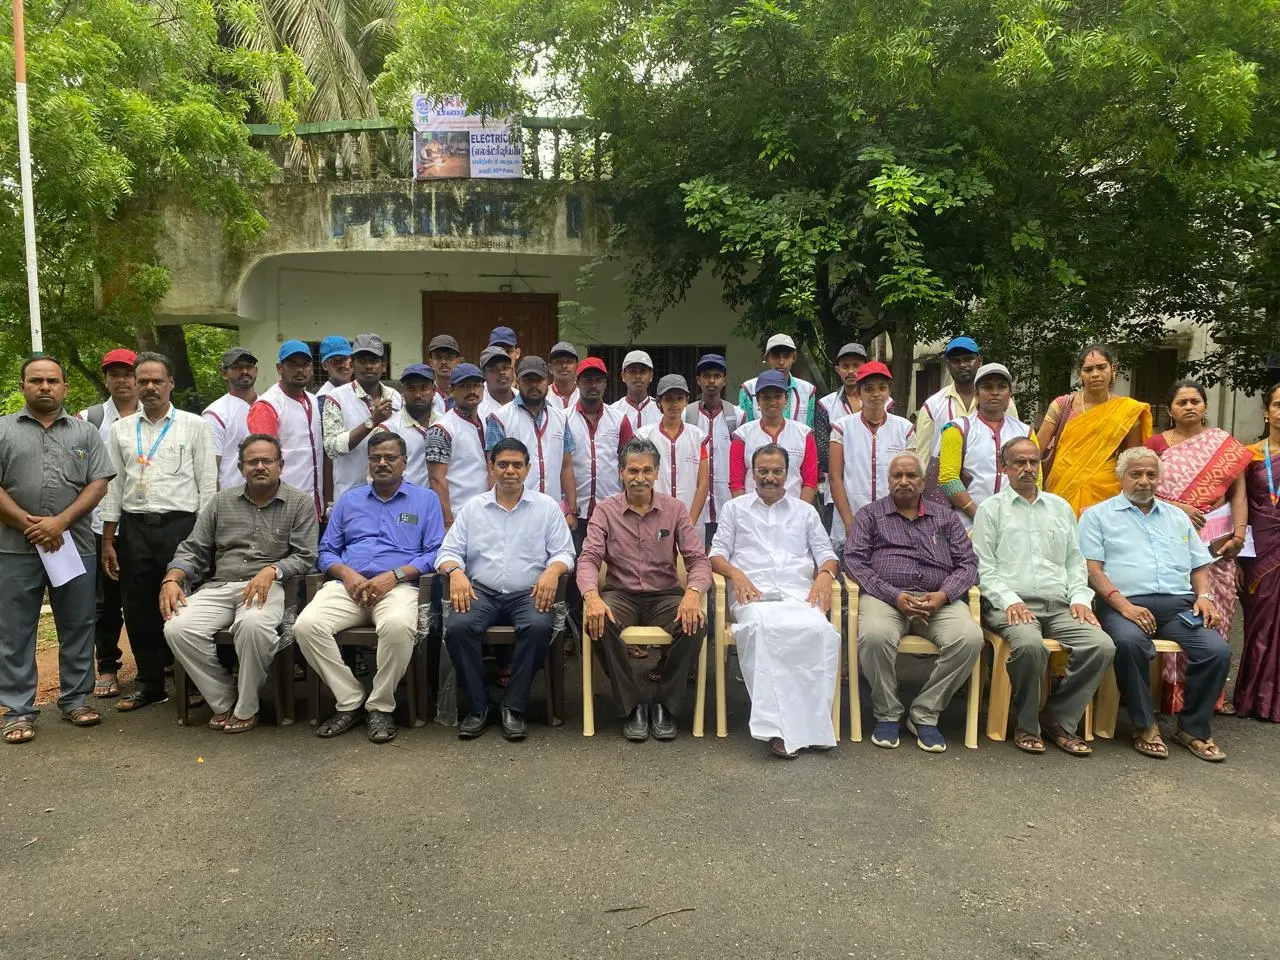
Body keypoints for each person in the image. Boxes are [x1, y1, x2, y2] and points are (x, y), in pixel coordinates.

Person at [1078, 447, 1231, 762]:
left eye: (1151, 474)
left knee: (1216, 651)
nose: (1144, 481)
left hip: (1177, 607)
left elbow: (1199, 566)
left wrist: (1205, 596)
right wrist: (1123, 606)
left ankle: (1193, 729)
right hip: (1124, 604)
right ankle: (1144, 725)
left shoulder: (1177, 517)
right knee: (1128, 643)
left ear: (1159, 478)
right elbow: (1092, 569)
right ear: (1121, 477)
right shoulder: (1097, 515)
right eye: (1136, 474)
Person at [160, 435, 318, 733]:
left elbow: (306, 556)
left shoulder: (299, 502)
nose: (260, 466)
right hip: (220, 586)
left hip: (268, 587)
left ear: (280, 465)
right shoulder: (221, 501)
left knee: (254, 626)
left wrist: (273, 569)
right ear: (241, 467)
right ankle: (223, 699)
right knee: (177, 627)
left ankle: (248, 706)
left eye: (267, 461)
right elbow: (194, 548)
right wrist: (173, 576)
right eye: (252, 462)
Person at [294, 433, 445, 744]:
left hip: (398, 587)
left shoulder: (425, 500)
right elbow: (326, 552)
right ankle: (349, 700)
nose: (382, 463)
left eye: (390, 457)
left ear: (404, 463)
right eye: (376, 457)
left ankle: (380, 705)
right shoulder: (350, 500)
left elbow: (434, 553)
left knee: (399, 626)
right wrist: (347, 575)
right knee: (306, 626)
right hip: (349, 586)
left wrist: (395, 575)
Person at [972, 437, 1114, 756]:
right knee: (1029, 646)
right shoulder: (991, 509)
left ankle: (1058, 718)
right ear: (1003, 467)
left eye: (1033, 462)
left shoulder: (1060, 508)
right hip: (1011, 603)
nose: (1027, 469)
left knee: (1101, 645)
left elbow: (1075, 561)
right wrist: (1010, 600)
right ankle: (1026, 723)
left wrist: (1079, 596)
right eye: (1019, 462)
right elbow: (983, 566)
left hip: (1061, 604)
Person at [0, 357, 115, 744]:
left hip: (73, 545)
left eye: (52, 380)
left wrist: (59, 522)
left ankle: (76, 699)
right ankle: (18, 711)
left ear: (65, 387)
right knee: (15, 630)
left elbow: (98, 483)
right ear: (23, 387)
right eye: (36, 380)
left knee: (78, 623)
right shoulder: (3, 430)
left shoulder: (85, 433)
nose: (45, 386)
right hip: (14, 547)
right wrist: (29, 524)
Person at [436, 438, 575, 740]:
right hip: (481, 592)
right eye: (503, 464)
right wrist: (455, 572)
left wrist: (553, 570)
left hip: (528, 593)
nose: (510, 471)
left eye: (517, 465)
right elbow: (447, 552)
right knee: (459, 627)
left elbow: (565, 552)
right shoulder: (474, 508)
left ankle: (514, 706)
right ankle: (479, 706)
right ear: (492, 468)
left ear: (527, 469)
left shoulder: (546, 507)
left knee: (539, 626)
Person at [100, 352, 217, 712]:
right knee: (137, 608)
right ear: (135, 385)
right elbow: (113, 487)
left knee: (186, 605)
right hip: (135, 529)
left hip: (182, 528)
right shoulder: (120, 430)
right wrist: (108, 538)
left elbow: (208, 486)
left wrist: (203, 538)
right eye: (143, 381)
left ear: (171, 384)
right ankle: (150, 683)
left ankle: (193, 682)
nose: (149, 388)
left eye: (157, 381)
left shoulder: (194, 425)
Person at [709, 444, 840, 759]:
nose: (769, 478)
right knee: (767, 630)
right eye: (763, 471)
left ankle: (814, 725)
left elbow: (827, 554)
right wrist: (736, 574)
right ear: (752, 474)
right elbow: (715, 554)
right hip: (754, 595)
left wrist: (825, 575)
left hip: (798, 595)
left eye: (776, 471)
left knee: (820, 632)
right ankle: (780, 730)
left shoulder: (805, 512)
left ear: (788, 474)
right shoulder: (735, 509)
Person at [846, 452, 982, 753]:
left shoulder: (945, 516)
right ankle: (887, 712)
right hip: (887, 597)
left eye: (911, 476)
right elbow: (855, 561)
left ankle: (925, 713)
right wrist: (893, 595)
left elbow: (968, 563)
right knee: (874, 636)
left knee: (970, 639)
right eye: (898, 476)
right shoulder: (870, 515)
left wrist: (944, 595)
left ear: (923, 482)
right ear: (889, 481)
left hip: (939, 599)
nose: (904, 482)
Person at [577, 437, 711, 741]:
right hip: (620, 593)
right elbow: (588, 558)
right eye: (633, 471)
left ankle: (666, 704)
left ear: (657, 473)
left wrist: (692, 594)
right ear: (621, 472)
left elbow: (698, 560)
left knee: (696, 623)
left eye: (647, 471)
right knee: (598, 620)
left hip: (664, 594)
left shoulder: (675, 509)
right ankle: (632, 704)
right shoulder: (605, 511)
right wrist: (591, 597)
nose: (640, 478)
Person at [1145, 379, 1251, 716]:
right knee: (1180, 612)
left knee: (1216, 612)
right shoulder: (1157, 444)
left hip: (1217, 542)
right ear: (1171, 409)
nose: (1189, 407)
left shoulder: (1224, 446)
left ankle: (1210, 697)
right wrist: (1179, 508)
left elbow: (1238, 494)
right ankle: (1170, 696)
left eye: (1195, 401)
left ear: (1204, 406)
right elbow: (1141, 489)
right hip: (1170, 540)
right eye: (1182, 402)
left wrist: (1238, 534)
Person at [78, 347, 138, 700]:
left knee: (148, 596)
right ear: (106, 379)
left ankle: (160, 664)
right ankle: (107, 667)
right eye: (114, 373)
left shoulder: (155, 414)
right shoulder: (90, 418)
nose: (123, 379)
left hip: (144, 523)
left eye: (128, 372)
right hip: (101, 526)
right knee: (106, 602)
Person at [1038, 342, 1151, 516]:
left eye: (1101, 367)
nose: (1095, 374)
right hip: (1062, 485)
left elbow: (1132, 460)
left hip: (1106, 492)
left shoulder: (1127, 410)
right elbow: (1036, 449)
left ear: (1113, 369)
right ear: (1079, 374)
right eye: (1088, 370)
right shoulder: (1061, 405)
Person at [827, 361, 914, 549]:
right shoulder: (842, 428)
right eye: (868, 389)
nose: (876, 394)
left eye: (882, 388)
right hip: (852, 514)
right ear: (858, 392)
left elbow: (911, 478)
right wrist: (849, 522)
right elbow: (835, 477)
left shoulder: (904, 428)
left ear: (889, 391)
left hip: (894, 519)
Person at [938, 363, 1032, 529]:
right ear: (976, 393)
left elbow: (1035, 479)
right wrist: (979, 516)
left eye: (1001, 387)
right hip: (966, 524)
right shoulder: (957, 429)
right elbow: (948, 479)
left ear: (1010, 394)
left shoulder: (1025, 433)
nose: (995, 392)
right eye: (987, 387)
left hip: (1015, 524)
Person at [484, 356, 577, 521]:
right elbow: (493, 470)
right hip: (514, 511)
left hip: (553, 512)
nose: (534, 385)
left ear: (547, 381)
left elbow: (567, 467)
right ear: (518, 381)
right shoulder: (499, 418)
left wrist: (571, 510)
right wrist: (497, 512)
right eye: (528, 380)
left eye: (539, 380)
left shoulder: (560, 418)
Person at [1236, 383, 1280, 721]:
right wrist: (1236, 557)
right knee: (1259, 623)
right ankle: (1254, 697)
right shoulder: (1247, 456)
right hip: (1260, 551)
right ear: (1266, 411)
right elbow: (1239, 507)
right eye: (1278, 405)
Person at [322, 333, 405, 503]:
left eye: (374, 361)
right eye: (362, 361)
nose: (368, 366)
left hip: (392, 495)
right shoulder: (336, 398)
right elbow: (332, 448)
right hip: (352, 495)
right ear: (352, 364)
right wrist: (371, 422)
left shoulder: (396, 397)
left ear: (383, 366)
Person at [247, 341, 324, 519]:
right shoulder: (268, 406)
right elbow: (263, 462)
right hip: (281, 508)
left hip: (313, 504)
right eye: (292, 364)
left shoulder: (312, 400)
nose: (300, 370)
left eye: (305, 364)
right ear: (280, 368)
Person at [915, 336, 1019, 462]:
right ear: (948, 365)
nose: (962, 365)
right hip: (944, 478)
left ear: (979, 361)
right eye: (956, 361)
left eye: (968, 359)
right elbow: (922, 455)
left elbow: (1015, 445)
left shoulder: (1002, 403)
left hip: (989, 477)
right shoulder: (932, 405)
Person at [729, 369, 818, 504]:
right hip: (752, 515)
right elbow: (736, 483)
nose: (772, 402)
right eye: (766, 397)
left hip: (793, 514)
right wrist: (745, 514)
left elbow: (810, 481)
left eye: (777, 396)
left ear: (786, 399)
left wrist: (800, 515)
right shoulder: (742, 436)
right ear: (757, 401)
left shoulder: (804, 434)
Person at [636, 374, 709, 523]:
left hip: (690, 517)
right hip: (652, 518)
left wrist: (691, 520)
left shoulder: (697, 437)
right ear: (659, 403)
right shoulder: (644, 436)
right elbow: (639, 478)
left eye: (679, 398)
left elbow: (703, 483)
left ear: (687, 401)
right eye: (668, 399)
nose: (674, 404)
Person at [685, 353, 741, 547]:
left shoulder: (736, 416)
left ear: (724, 380)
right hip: (694, 503)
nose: (711, 381)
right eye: (706, 375)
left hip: (726, 500)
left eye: (717, 376)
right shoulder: (687, 414)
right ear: (698, 380)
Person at [426, 364, 490, 529]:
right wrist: (448, 521)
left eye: (476, 385)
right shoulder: (441, 429)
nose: (472, 391)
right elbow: (436, 479)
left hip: (488, 513)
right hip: (458, 515)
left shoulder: (488, 421)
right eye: (464, 386)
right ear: (452, 389)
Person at [202, 346, 258, 491]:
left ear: (256, 370)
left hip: (269, 497)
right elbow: (210, 470)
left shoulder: (269, 405)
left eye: (249, 366)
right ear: (224, 373)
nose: (245, 371)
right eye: (237, 367)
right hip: (232, 499)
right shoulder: (215, 414)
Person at [738, 333, 816, 426]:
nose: (781, 362)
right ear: (766, 358)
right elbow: (746, 431)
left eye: (786, 356)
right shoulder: (749, 389)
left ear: (794, 357)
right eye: (775, 356)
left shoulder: (807, 390)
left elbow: (809, 430)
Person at [396, 363, 440, 486]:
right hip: (404, 501)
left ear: (434, 390)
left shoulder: (446, 424)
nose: (418, 395)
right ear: (402, 392)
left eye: (424, 388)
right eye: (411, 389)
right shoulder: (389, 429)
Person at [610, 349, 660, 430]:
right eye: (632, 371)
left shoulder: (661, 410)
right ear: (623, 376)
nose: (638, 376)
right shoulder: (613, 411)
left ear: (651, 376)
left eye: (643, 371)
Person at [427, 334, 462, 416]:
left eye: (449, 357)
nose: (443, 362)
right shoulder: (425, 395)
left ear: (458, 361)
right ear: (431, 362)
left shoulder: (467, 394)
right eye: (438, 357)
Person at [478, 345, 515, 419]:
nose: (501, 372)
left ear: (512, 371)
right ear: (483, 374)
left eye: (505, 368)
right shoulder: (478, 407)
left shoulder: (524, 399)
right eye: (494, 369)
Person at [547, 341, 580, 409]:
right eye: (558, 362)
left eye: (569, 362)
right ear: (550, 368)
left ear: (577, 367)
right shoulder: (543, 397)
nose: (564, 366)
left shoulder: (584, 397)